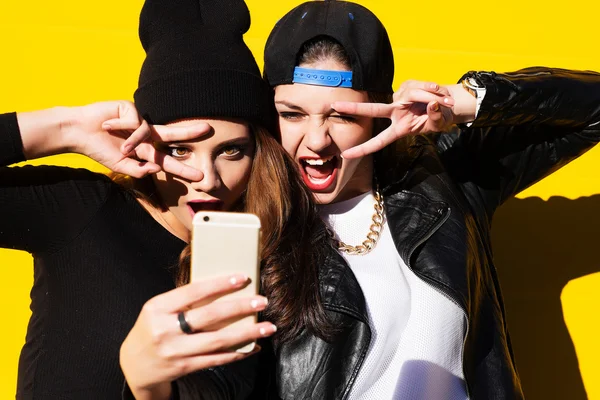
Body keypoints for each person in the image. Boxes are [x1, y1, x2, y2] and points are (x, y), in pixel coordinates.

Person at [255, 1, 600, 399]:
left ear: (379, 112)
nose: (316, 140)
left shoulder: (442, 175)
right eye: (292, 114)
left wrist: (463, 102)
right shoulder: (251, 220)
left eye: (343, 116)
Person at [0, 0, 329, 398]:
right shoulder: (83, 210)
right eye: (179, 150)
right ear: (144, 143)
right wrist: (65, 129)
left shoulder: (270, 258)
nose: (206, 179)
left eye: (232, 151)